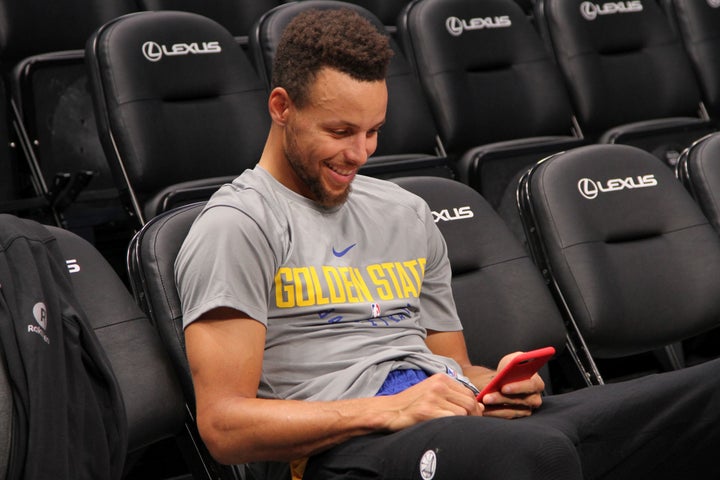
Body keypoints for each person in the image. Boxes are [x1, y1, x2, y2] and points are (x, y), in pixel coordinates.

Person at [175, 7, 720, 480]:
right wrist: (386, 410)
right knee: (536, 455)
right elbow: (225, 427)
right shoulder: (237, 226)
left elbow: (452, 368)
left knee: (708, 395)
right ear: (280, 107)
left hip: (447, 428)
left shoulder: (406, 213)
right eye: (339, 132)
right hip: (335, 453)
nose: (360, 154)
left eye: (373, 131)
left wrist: (495, 388)